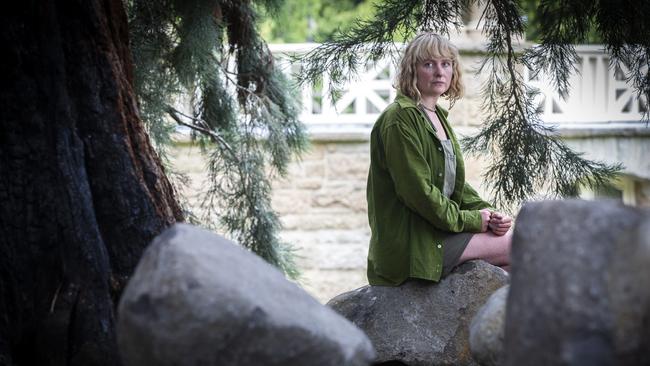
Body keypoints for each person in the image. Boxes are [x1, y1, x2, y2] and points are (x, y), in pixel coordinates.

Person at [366, 32, 512, 286]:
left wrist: (488, 213)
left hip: (437, 231)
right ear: (412, 70)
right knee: (520, 246)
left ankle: (494, 324)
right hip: (414, 245)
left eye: (446, 64)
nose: (439, 72)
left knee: (516, 265)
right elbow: (419, 193)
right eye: (428, 64)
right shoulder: (400, 119)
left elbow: (454, 185)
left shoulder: (437, 117)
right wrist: (473, 221)